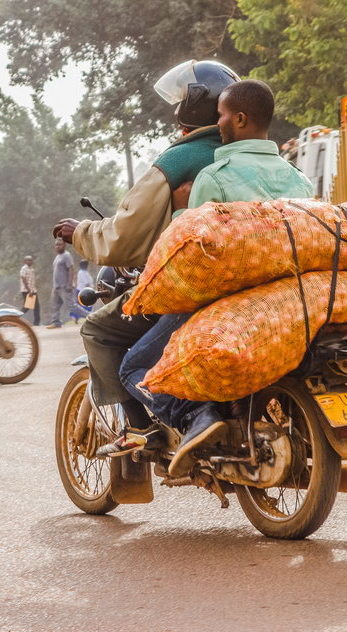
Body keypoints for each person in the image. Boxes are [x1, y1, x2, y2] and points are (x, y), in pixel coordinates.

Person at [116, 79, 316, 475]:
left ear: (239, 119)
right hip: (287, 301)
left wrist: (176, 214)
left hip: (220, 304)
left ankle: (195, 416)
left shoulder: (214, 175)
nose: (217, 121)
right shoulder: (300, 180)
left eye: (222, 114)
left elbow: (191, 253)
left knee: (131, 368)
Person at [52, 59, 240, 442]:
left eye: (179, 102)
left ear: (194, 105)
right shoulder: (249, 157)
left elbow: (126, 232)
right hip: (251, 282)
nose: (174, 111)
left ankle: (142, 428)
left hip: (195, 285)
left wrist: (81, 232)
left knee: (99, 330)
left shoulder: (179, 159)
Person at [46, 237, 76, 328]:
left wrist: (69, 284)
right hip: (56, 286)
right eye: (56, 245)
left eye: (60, 245)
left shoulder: (67, 255)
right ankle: (56, 322)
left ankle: (89, 315)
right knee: (54, 305)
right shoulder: (57, 257)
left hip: (64, 286)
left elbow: (71, 269)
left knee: (71, 306)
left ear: (64, 245)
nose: (58, 246)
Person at [19, 255, 40, 326]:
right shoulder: (24, 268)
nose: (30, 261)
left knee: (36, 306)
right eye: (28, 260)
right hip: (27, 291)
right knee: (26, 307)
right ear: (25, 261)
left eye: (31, 260)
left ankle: (37, 323)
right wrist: (29, 291)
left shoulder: (31, 269)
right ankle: (14, 318)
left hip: (33, 290)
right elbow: (24, 279)